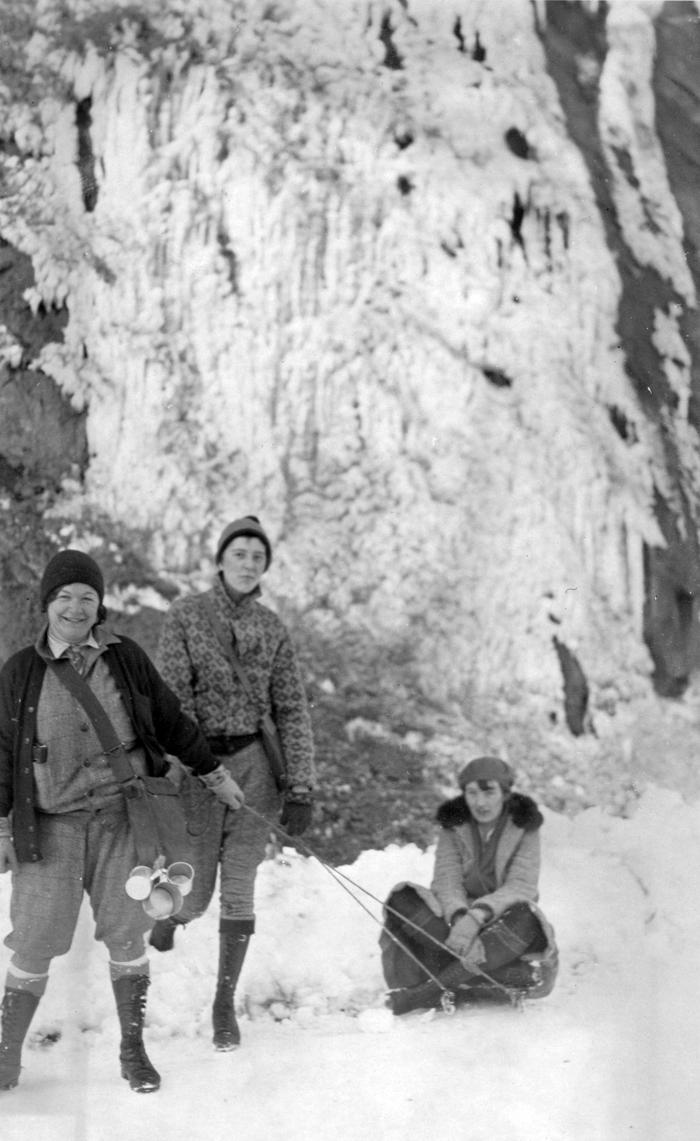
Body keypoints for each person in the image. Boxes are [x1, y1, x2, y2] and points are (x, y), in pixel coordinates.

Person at [0, 550, 245, 1093]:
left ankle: (133, 1049)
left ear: (99, 605)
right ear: (46, 604)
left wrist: (214, 774)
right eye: (64, 596)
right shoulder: (20, 671)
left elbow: (171, 720)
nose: (75, 606)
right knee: (35, 939)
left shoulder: (125, 658)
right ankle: (6, 1054)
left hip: (124, 819)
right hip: (51, 824)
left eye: (87, 596)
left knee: (129, 934)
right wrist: (0, 826)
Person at [150, 515, 316, 1050]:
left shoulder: (273, 628)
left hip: (254, 768)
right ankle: (173, 916)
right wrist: (203, 768)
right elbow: (172, 701)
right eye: (239, 553)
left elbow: (291, 709)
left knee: (239, 884)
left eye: (258, 556)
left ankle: (224, 1002)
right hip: (198, 766)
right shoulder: (186, 616)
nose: (248, 563)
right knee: (196, 890)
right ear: (220, 560)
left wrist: (302, 789)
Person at [380, 756, 558, 1014]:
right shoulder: (453, 825)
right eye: (472, 793)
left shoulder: (525, 825)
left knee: (528, 919)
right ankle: (485, 977)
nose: (480, 802)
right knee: (402, 899)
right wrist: (459, 917)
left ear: (505, 793)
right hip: (454, 929)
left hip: (502, 924)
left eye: (488, 791)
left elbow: (521, 886)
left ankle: (426, 992)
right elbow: (446, 880)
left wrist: (475, 919)